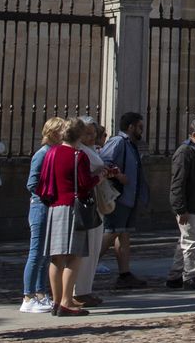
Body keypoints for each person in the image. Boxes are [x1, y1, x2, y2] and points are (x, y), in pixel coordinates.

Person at [40, 115, 96, 316]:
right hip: (73, 207)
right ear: (79, 135)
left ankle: (56, 302)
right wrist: (99, 177)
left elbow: (43, 181)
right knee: (74, 256)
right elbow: (84, 184)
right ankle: (66, 301)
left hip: (55, 207)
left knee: (56, 258)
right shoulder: (78, 155)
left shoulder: (51, 153)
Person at [99, 111, 149, 289]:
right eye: (140, 127)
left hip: (129, 197)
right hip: (118, 197)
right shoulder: (118, 142)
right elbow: (104, 162)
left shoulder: (131, 145)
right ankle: (86, 266)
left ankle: (124, 274)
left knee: (124, 233)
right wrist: (119, 175)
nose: (142, 130)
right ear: (131, 127)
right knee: (111, 232)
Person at [72, 118, 117, 306]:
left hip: (95, 202)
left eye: (93, 133)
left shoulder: (90, 150)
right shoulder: (80, 151)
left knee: (93, 248)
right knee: (86, 248)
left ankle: (85, 289)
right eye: (87, 134)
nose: (92, 137)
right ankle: (78, 291)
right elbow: (83, 179)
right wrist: (101, 175)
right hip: (87, 203)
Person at [20, 118, 63, 314]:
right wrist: (48, 194)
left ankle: (40, 292)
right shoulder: (42, 153)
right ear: (53, 133)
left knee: (45, 254)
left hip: (49, 205)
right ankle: (28, 296)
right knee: (36, 252)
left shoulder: (53, 152)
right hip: (40, 206)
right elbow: (32, 183)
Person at [166, 118, 195, 291]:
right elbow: (178, 182)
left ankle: (175, 275)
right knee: (192, 241)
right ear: (194, 134)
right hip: (189, 205)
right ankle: (191, 276)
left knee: (185, 241)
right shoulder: (185, 152)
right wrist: (180, 208)